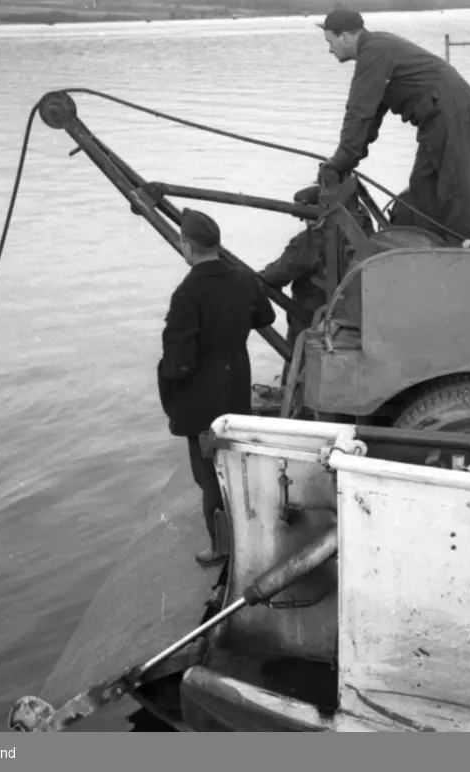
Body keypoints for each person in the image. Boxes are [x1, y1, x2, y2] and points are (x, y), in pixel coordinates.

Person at [158, 209, 277, 567]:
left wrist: (168, 378)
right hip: (236, 387)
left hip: (202, 399)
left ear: (189, 248)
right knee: (235, 463)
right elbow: (266, 317)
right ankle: (247, 529)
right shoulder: (243, 280)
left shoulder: (187, 294)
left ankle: (220, 547)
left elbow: (178, 362)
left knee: (208, 473)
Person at [317, 8, 470, 247]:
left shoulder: (373, 54)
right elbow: (369, 118)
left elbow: (358, 114)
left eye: (330, 41)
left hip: (447, 107)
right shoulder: (378, 48)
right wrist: (346, 160)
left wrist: (338, 162)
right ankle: (433, 247)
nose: (329, 49)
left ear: (344, 37)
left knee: (455, 184)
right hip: (440, 111)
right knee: (422, 185)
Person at [258, 184, 373, 384]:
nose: (303, 221)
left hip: (311, 317)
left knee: (300, 365)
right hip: (347, 316)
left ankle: (296, 396)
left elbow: (278, 273)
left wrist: (260, 277)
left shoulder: (311, 239)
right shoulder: (355, 230)